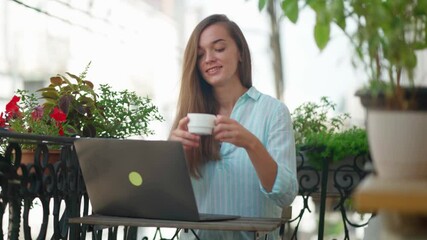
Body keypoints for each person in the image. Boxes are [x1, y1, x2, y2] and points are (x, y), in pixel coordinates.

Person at [169, 14, 298, 240]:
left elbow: (285, 195)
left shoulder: (273, 111)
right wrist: (173, 156)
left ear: (240, 52)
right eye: (200, 55)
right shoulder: (188, 116)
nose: (208, 58)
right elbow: (168, 199)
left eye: (218, 48)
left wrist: (251, 143)